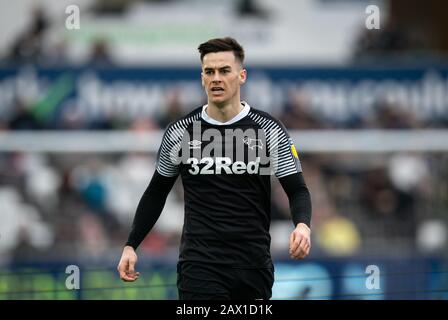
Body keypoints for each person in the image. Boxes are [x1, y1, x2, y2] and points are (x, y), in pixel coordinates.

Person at [117, 37, 312, 300]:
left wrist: (302, 225)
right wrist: (131, 244)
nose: (216, 78)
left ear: (242, 76)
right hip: (199, 266)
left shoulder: (269, 130)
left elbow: (297, 189)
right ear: (202, 78)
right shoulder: (180, 132)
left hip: (252, 266)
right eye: (209, 72)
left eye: (224, 70)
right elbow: (156, 192)